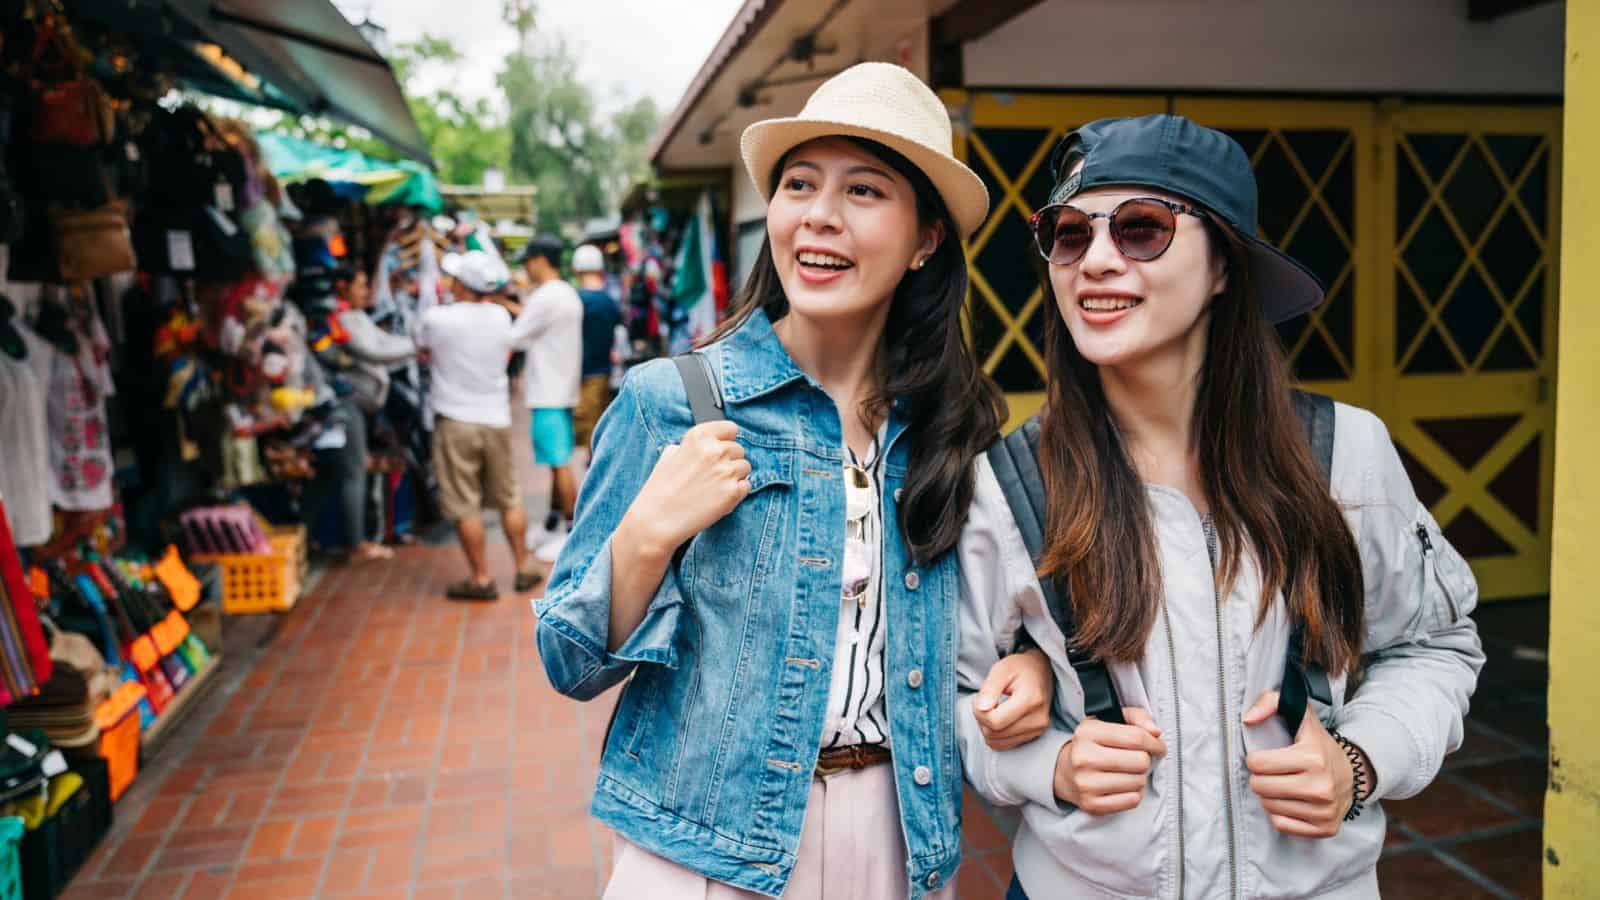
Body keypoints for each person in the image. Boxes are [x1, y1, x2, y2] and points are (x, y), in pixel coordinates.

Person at [536, 63, 1055, 900]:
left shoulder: (949, 429)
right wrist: (644, 537)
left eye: (864, 191)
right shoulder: (674, 402)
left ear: (926, 239)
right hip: (707, 855)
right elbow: (569, 661)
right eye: (800, 184)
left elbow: (993, 620)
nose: (819, 215)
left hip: (900, 842)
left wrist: (1026, 663)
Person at [956, 114, 1485, 899]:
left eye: (1141, 230)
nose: (1095, 260)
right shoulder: (1008, 484)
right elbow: (946, 701)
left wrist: (1361, 760)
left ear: (1224, 269)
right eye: (1068, 235)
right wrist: (1049, 765)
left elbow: (1434, 643)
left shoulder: (1344, 454)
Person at [416, 250, 543, 601]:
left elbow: (422, 349)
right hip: (496, 418)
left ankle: (482, 578)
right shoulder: (501, 317)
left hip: (455, 420)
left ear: (461, 284)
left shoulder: (437, 318)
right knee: (509, 497)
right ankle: (521, 568)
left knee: (464, 502)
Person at [511, 236, 583, 562]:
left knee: (559, 463)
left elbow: (516, 336)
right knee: (558, 463)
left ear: (540, 260)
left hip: (548, 391)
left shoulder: (545, 297)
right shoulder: (565, 293)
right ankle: (555, 523)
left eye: (529, 259)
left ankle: (572, 535)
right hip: (563, 388)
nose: (526, 266)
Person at [571, 243, 621, 456]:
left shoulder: (576, 300)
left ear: (577, 270)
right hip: (603, 371)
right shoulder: (610, 302)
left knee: (588, 435)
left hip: (582, 374)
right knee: (600, 429)